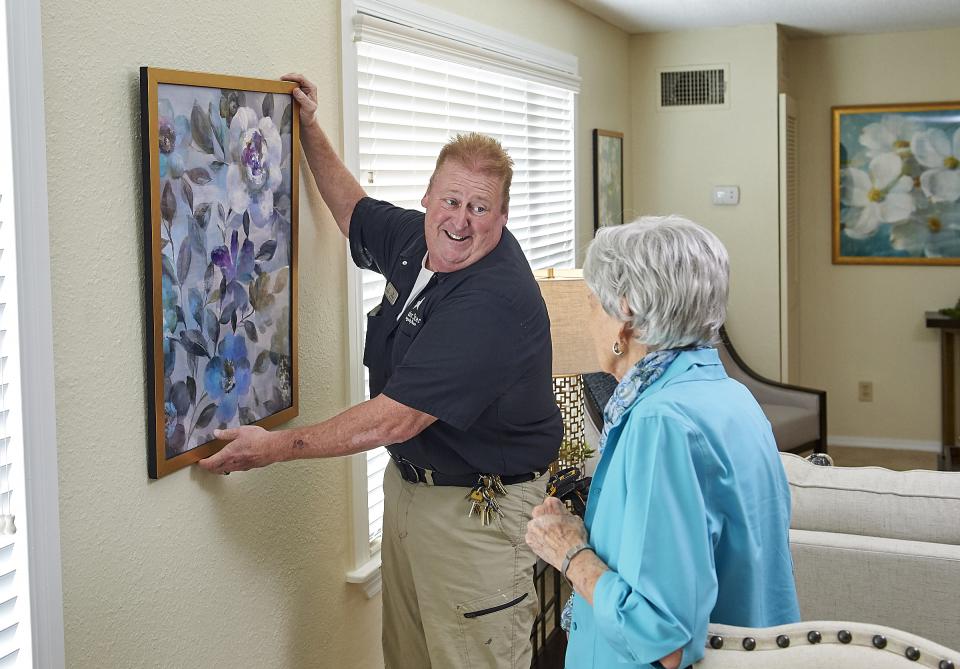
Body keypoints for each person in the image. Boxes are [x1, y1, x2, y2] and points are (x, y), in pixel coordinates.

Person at [199, 74, 562, 669]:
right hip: (411, 492)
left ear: (502, 216)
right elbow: (351, 210)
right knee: (409, 659)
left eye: (480, 208)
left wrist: (274, 449)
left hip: (479, 513)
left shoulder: (493, 300)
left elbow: (395, 419)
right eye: (451, 200)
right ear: (427, 197)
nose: (461, 221)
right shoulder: (416, 241)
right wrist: (309, 129)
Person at [524, 216, 800, 669]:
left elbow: (662, 637)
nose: (588, 320)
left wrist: (569, 552)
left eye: (591, 305)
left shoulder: (659, 423)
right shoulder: (731, 397)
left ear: (624, 315)